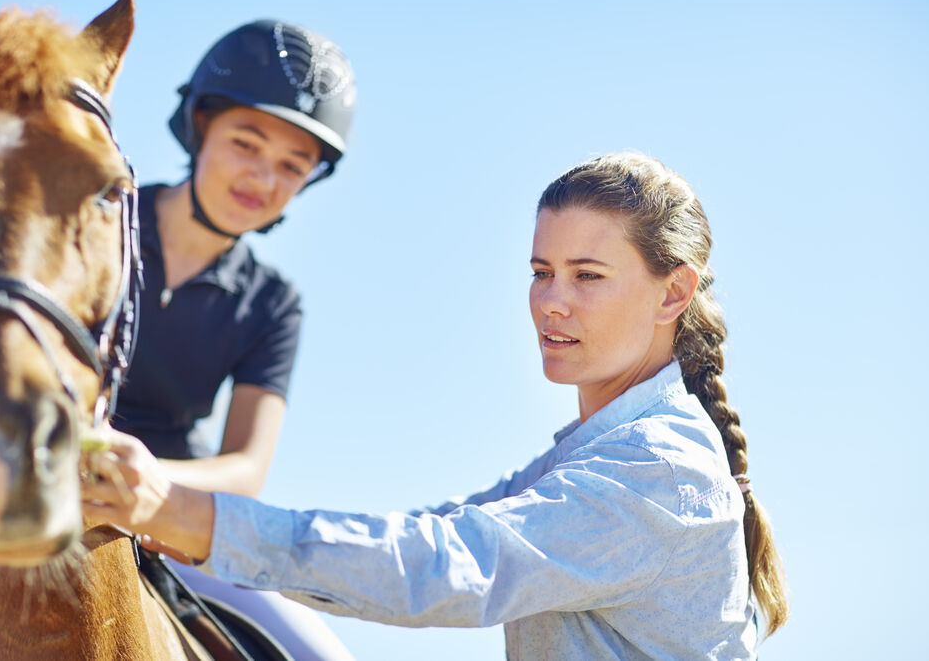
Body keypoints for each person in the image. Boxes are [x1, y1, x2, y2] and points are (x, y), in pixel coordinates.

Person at [83, 152, 790, 658]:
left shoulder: (654, 470)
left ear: (672, 293)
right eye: (541, 271)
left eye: (587, 276)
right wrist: (206, 529)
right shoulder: (587, 456)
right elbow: (430, 530)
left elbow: (446, 564)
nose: (551, 300)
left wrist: (188, 514)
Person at [107, 19, 357, 661]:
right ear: (200, 129)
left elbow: (246, 469)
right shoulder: (96, 224)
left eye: (291, 166)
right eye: (246, 144)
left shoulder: (273, 303)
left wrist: (134, 482)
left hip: (170, 517)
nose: (263, 179)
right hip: (36, 495)